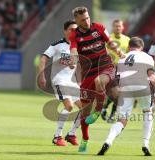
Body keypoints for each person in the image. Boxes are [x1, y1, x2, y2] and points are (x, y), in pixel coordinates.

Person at [68, 6, 124, 152]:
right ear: (76, 21)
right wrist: (73, 60)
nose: (86, 21)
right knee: (84, 111)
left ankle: (98, 111)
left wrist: (118, 51)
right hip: (87, 73)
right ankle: (85, 139)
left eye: (87, 18)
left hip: (106, 67)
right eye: (82, 20)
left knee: (100, 81)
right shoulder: (74, 35)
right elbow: (73, 50)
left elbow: (110, 41)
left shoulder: (99, 27)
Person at [97, 37, 155, 156]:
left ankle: (108, 141)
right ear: (142, 47)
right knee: (147, 113)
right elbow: (152, 75)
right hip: (142, 86)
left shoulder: (122, 59)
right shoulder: (147, 57)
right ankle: (145, 144)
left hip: (125, 89)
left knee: (121, 120)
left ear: (129, 47)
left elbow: (116, 79)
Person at [38, 20, 82, 146]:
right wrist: (41, 76)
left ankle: (72, 134)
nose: (73, 32)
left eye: (75, 30)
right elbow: (43, 58)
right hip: (59, 80)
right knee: (69, 106)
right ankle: (57, 137)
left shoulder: (78, 46)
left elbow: (79, 65)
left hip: (72, 82)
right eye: (71, 29)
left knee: (85, 108)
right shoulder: (57, 45)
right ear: (65, 31)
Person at [101, 19, 130, 123]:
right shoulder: (108, 39)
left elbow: (128, 55)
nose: (118, 28)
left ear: (123, 27)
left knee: (119, 93)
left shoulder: (127, 40)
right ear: (113, 27)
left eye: (119, 26)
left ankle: (111, 114)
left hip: (122, 70)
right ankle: (104, 108)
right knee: (113, 93)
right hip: (110, 69)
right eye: (116, 26)